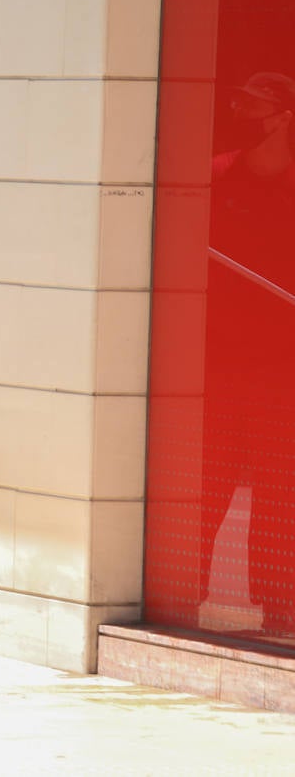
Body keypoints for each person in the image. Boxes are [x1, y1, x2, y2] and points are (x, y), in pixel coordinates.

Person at [201, 70, 295, 637]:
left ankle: (279, 611)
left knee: (279, 489)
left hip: (280, 366)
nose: (244, 116)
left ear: (284, 117)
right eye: (240, 105)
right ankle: (185, 597)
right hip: (217, 362)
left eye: (256, 108)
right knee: (208, 484)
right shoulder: (216, 175)